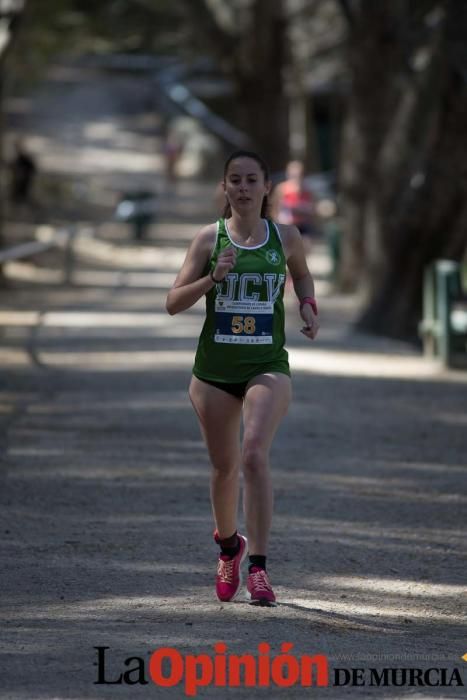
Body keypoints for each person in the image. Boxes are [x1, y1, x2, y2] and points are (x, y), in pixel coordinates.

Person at [166, 150, 319, 606]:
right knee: (224, 466)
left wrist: (308, 305)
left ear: (267, 187)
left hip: (266, 364)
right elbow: (173, 302)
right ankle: (230, 547)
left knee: (254, 454)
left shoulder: (286, 237)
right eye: (235, 180)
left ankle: (260, 570)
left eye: (253, 179)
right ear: (225, 186)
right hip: (213, 373)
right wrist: (212, 278)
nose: (244, 188)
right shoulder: (206, 239)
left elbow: (304, 276)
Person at [272, 160, 316, 247]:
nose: (296, 177)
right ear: (288, 174)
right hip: (286, 225)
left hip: (303, 225)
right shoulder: (282, 189)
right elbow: (274, 206)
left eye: (299, 174)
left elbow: (313, 209)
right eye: (293, 174)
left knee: (306, 246)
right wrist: (276, 221)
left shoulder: (307, 190)